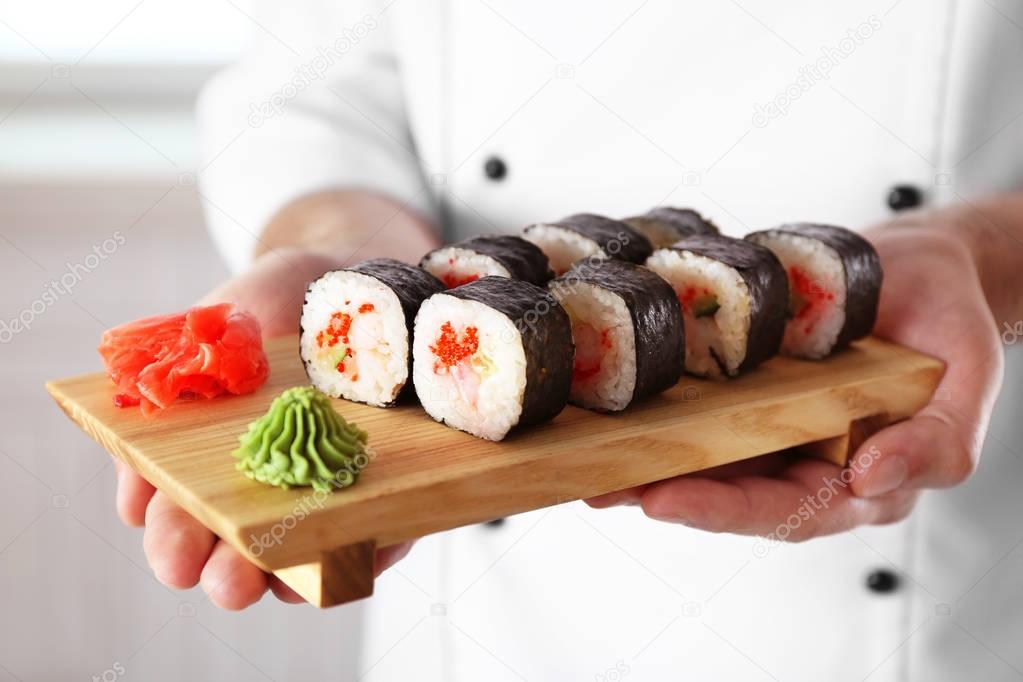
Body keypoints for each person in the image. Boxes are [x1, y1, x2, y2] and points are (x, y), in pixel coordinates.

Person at [114, 1, 1022, 678]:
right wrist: (355, 255)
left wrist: (983, 256)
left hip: (938, 608)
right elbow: (314, 94)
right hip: (488, 612)